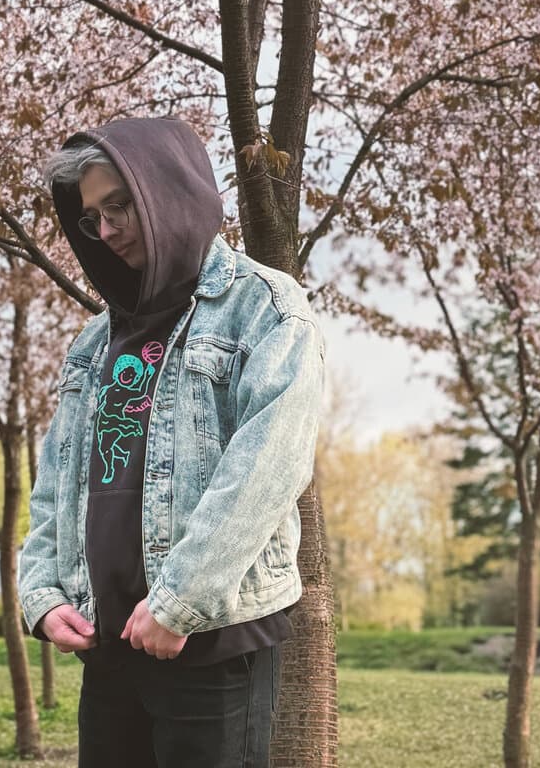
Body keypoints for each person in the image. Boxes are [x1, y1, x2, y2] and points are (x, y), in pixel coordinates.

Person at [18, 117, 324, 768]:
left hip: (213, 643)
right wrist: (42, 594)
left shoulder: (264, 309)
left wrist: (180, 603)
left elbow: (268, 468)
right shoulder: (94, 341)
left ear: (169, 189)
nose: (106, 230)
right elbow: (57, 482)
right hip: (108, 645)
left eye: (120, 205)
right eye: (92, 217)